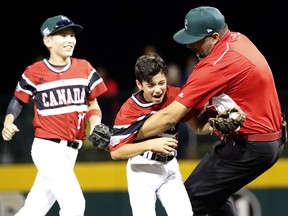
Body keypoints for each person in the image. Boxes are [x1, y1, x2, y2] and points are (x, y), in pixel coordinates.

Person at [136, 6, 284, 216]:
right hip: (266, 140)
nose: (189, 45)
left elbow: (171, 116)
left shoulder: (216, 64)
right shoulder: (238, 39)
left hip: (250, 145)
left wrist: (128, 135)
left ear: (214, 37)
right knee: (211, 199)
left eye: (195, 38)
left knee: (186, 202)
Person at [1, 15, 107, 216]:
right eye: (63, 35)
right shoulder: (34, 72)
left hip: (71, 151)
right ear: (47, 41)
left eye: (72, 35)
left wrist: (95, 124)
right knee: (74, 204)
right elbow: (18, 100)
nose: (70, 40)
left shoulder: (84, 68)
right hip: (47, 149)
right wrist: (8, 120)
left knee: (34, 209)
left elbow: (92, 103)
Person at [109, 54, 193, 216]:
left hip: (170, 167)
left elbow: (196, 126)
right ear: (139, 84)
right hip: (141, 169)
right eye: (151, 85)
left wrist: (214, 124)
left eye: (161, 83)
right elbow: (116, 152)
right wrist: (151, 144)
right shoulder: (129, 110)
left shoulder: (175, 95)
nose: (157, 89)